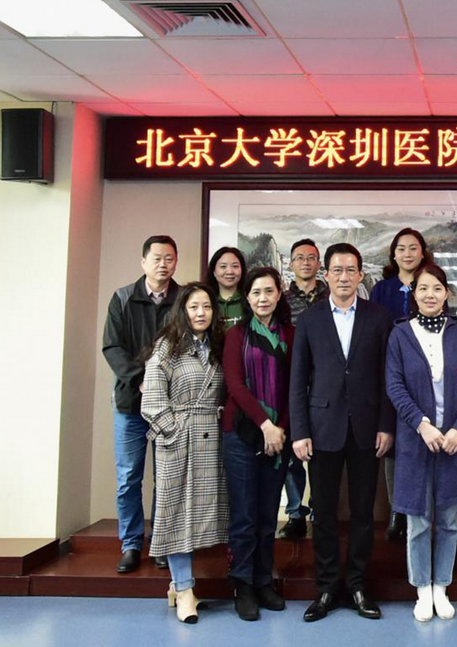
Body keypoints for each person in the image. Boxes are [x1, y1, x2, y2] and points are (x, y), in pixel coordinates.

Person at [290, 243, 396, 623]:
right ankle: (326, 588)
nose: (344, 277)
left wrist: (386, 425)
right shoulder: (310, 319)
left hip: (368, 428)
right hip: (322, 429)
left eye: (351, 270)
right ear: (326, 275)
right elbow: (298, 379)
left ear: (361, 275)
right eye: (337, 270)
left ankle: (357, 585)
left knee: (363, 512)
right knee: (324, 512)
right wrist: (299, 431)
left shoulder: (379, 317)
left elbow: (388, 378)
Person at [385, 264, 457, 622]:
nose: (430, 295)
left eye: (437, 288)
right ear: (415, 293)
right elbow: (394, 386)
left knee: (449, 520)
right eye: (423, 288)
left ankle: (442, 586)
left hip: (454, 440)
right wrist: (422, 425)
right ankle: (422, 588)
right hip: (416, 440)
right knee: (419, 521)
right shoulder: (400, 334)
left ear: (446, 294)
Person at [139, 282, 228, 624]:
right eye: (194, 307)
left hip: (212, 439)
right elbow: (152, 399)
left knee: (202, 514)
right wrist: (172, 431)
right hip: (178, 439)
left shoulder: (218, 345)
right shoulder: (167, 346)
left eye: (207, 306)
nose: (201, 313)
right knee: (176, 513)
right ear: (183, 311)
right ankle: (186, 588)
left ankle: (177, 586)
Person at [102, 234, 180, 574]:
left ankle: (161, 541)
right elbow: (112, 347)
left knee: (166, 477)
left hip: (170, 405)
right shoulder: (123, 298)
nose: (163, 264)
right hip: (130, 404)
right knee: (128, 477)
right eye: (157, 258)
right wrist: (141, 379)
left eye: (169, 258)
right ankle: (131, 544)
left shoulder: (183, 299)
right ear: (144, 262)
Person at [222, 267, 294, 621]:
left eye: (268, 291)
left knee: (267, 515)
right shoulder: (236, 335)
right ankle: (243, 585)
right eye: (256, 292)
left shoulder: (292, 334)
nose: (262, 298)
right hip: (242, 434)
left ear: (279, 294)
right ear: (247, 298)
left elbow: (297, 385)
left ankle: (264, 580)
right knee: (245, 515)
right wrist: (265, 425)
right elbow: (235, 384)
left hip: (279, 435)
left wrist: (279, 429)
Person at [371, 228, 434, 541]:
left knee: (424, 439)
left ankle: (420, 511)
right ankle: (398, 511)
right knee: (394, 443)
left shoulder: (432, 284)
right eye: (401, 248)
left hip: (426, 375)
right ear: (393, 254)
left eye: (413, 248)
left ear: (423, 252)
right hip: (390, 374)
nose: (407, 254)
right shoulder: (382, 289)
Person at [280, 239, 330, 539]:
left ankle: (320, 509)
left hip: (326, 383)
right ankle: (296, 512)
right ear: (291, 264)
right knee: (293, 453)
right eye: (300, 258)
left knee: (323, 451)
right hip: (294, 380)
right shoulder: (283, 301)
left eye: (311, 257)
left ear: (319, 264)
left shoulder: (331, 296)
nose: (306, 262)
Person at [206, 246, 247, 330]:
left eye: (235, 266)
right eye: (223, 266)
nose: (230, 272)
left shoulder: (250, 300)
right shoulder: (206, 300)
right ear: (214, 272)